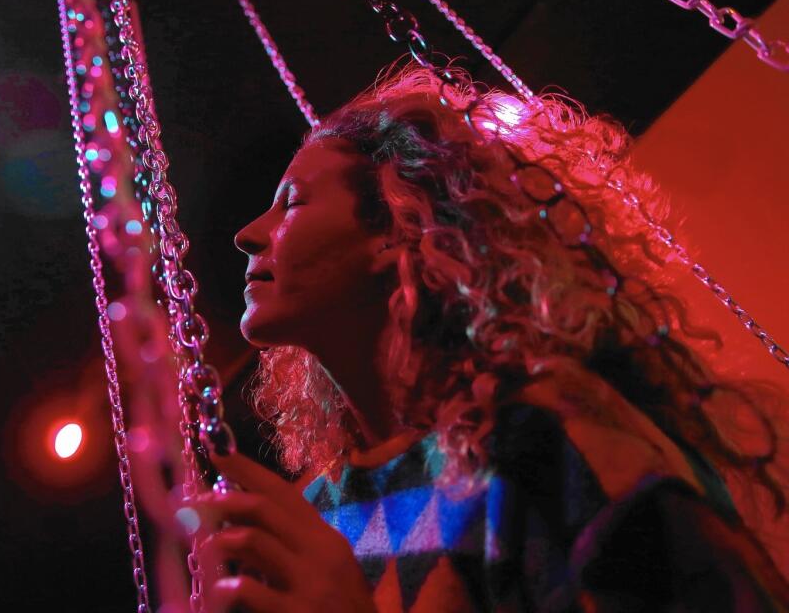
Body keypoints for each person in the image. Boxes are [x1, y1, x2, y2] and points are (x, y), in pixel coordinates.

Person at [192, 60, 789, 612]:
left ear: (399, 226)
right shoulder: (314, 518)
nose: (247, 234)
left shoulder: (546, 439)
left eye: (290, 203)